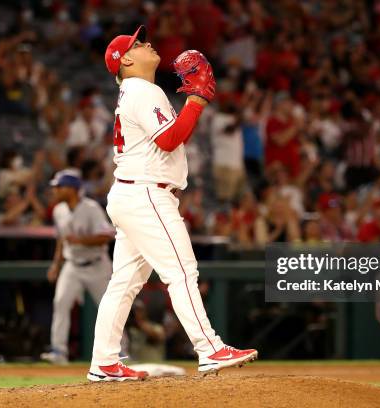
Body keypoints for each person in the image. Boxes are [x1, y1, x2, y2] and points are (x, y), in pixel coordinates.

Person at [88, 26, 257, 382]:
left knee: (123, 283)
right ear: (127, 59)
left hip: (132, 193)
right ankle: (209, 348)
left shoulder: (133, 91)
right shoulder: (142, 90)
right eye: (139, 43)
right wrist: (196, 100)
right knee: (181, 271)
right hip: (146, 194)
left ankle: (103, 361)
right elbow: (169, 140)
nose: (148, 43)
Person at [40, 170, 114, 365]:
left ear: (72, 189)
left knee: (110, 309)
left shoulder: (91, 208)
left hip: (97, 265)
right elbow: (61, 239)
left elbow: (107, 235)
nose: (55, 190)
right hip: (72, 264)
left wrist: (80, 240)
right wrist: (56, 264)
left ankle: (120, 351)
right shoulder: (59, 210)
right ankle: (58, 352)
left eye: (59, 186)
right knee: (60, 303)